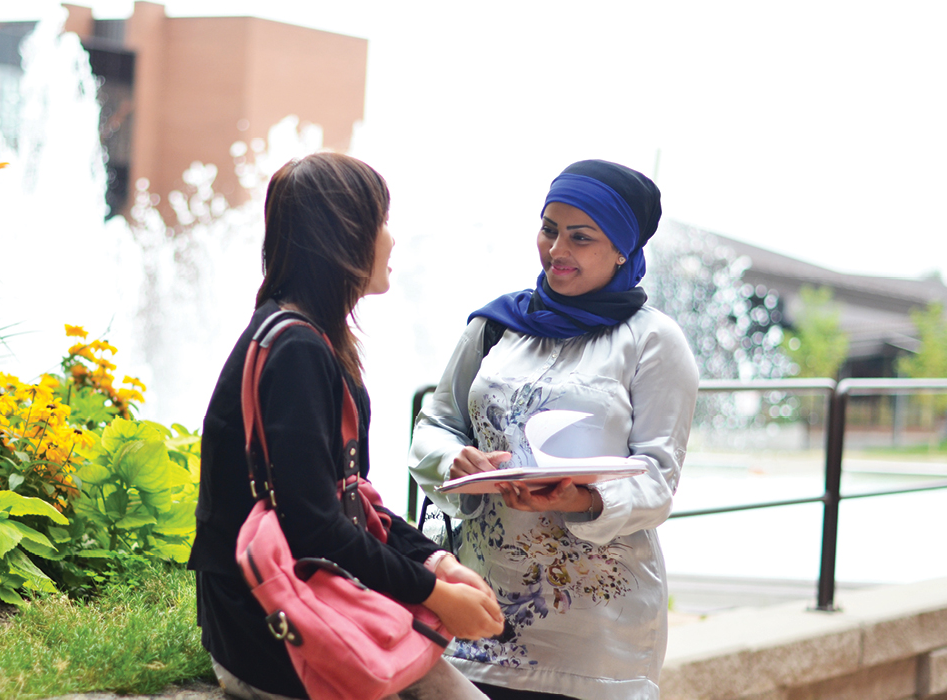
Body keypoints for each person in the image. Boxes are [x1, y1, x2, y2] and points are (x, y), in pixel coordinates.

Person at [188, 152, 504, 700]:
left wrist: (433, 559)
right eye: (381, 222)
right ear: (345, 238)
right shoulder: (298, 351)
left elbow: (349, 501)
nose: (392, 239)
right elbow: (317, 529)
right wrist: (434, 593)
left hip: (273, 615)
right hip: (270, 637)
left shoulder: (297, 336)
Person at [409, 159, 699, 700]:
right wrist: (452, 461)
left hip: (594, 635)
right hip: (476, 612)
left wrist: (582, 500)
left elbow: (658, 481)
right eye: (549, 229)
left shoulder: (653, 341)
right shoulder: (495, 325)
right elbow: (433, 425)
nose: (556, 250)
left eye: (581, 237)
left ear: (622, 248)